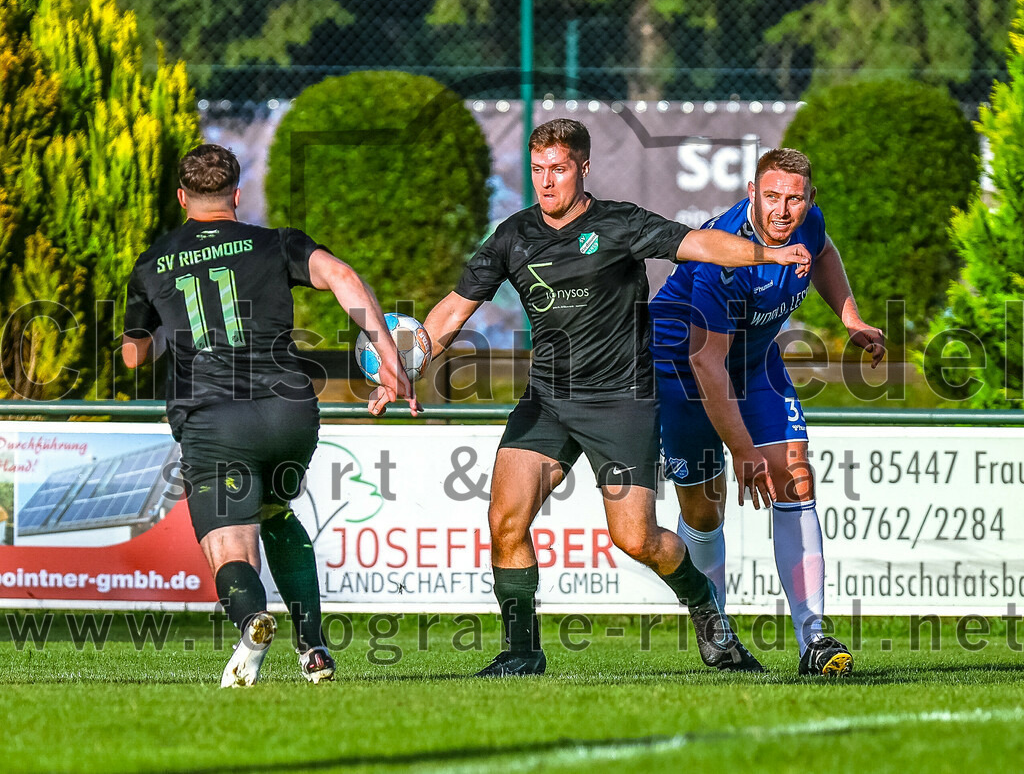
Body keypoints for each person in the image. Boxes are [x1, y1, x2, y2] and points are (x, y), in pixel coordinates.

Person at [373, 119, 812, 677]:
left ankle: (712, 621)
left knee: (637, 539)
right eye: (537, 171)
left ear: (583, 168)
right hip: (548, 400)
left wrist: (766, 256)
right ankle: (521, 652)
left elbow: (697, 243)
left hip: (622, 401)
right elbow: (452, 312)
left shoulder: (619, 223)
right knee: (506, 519)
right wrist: (405, 367)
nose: (546, 182)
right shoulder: (513, 236)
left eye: (558, 169)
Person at [122, 144, 416, 687]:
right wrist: (388, 357)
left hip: (213, 417)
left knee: (228, 543)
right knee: (276, 513)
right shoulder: (276, 244)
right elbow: (344, 278)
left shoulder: (151, 264)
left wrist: (168, 325)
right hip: (290, 413)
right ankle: (314, 649)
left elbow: (135, 355)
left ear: (182, 199)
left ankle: (253, 620)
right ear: (237, 194)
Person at [650, 147, 885, 677]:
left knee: (796, 479)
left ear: (809, 200)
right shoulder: (721, 258)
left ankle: (815, 639)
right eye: (771, 196)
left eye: (794, 200)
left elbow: (822, 252)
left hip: (754, 362)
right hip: (684, 372)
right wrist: (743, 449)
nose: (783, 210)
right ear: (751, 193)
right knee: (704, 512)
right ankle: (720, 634)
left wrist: (851, 319)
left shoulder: (808, 222)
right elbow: (706, 362)